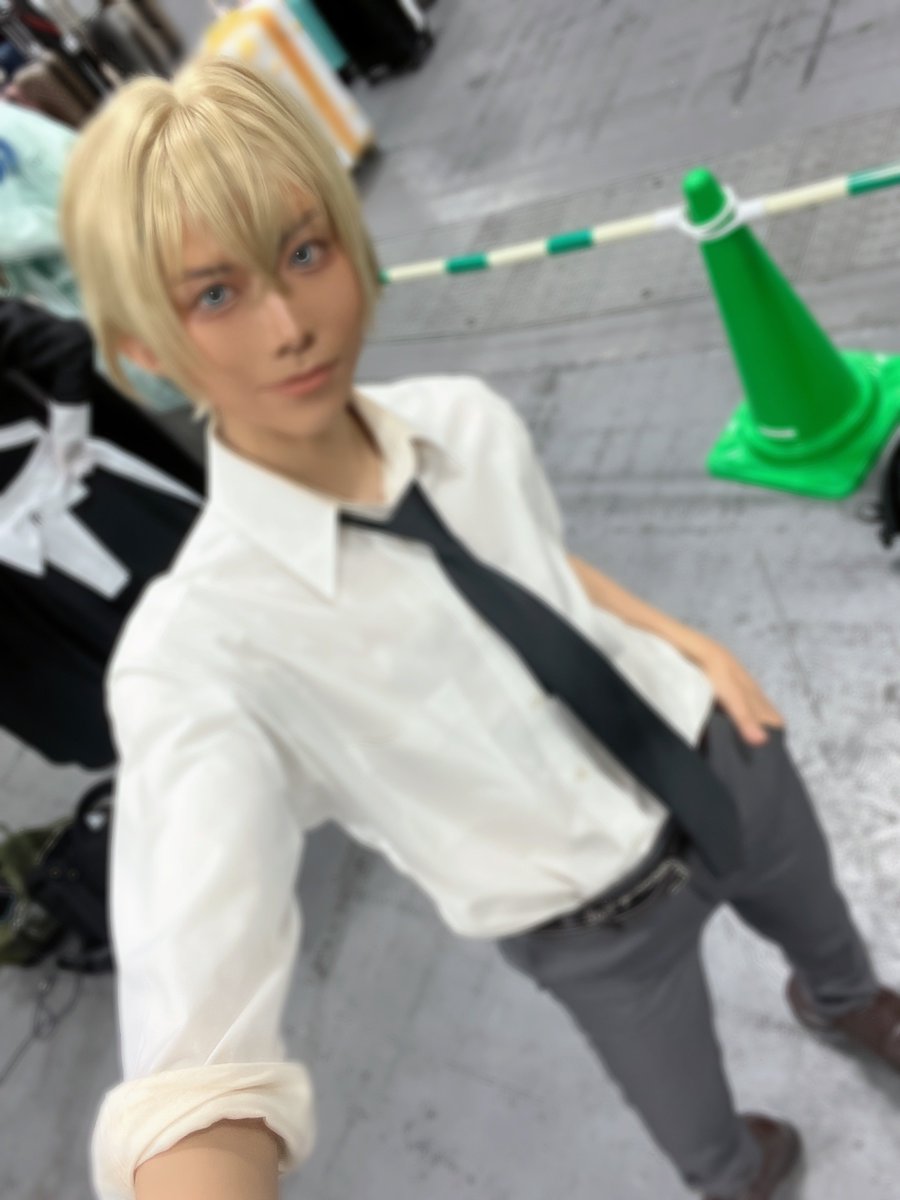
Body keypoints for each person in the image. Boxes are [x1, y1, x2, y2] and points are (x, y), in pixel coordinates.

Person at [59, 58, 899, 1200]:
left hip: (718, 755)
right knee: (699, 1134)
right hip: (594, 927)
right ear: (146, 350)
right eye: (215, 296)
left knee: (831, 933)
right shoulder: (199, 652)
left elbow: (534, 569)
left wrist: (690, 644)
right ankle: (736, 1169)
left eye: (304, 253)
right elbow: (192, 1050)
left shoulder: (466, 418)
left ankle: (845, 1001)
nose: (290, 325)